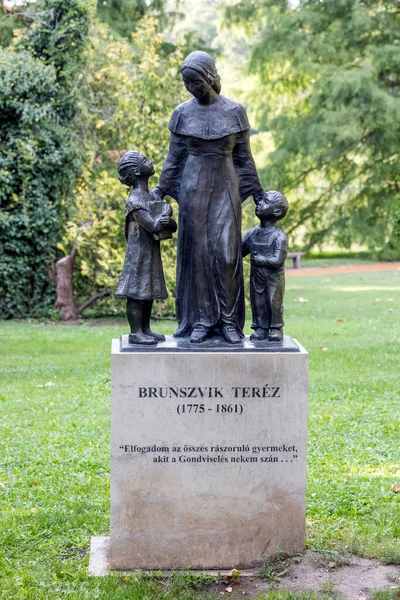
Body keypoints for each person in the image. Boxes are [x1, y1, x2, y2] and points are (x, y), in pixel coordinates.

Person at [153, 51, 264, 344]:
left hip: (225, 188)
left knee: (227, 255)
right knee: (200, 255)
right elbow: (173, 160)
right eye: (187, 83)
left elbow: (245, 159)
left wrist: (259, 194)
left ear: (210, 77)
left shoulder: (235, 111)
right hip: (193, 189)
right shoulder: (181, 113)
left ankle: (229, 322)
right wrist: (160, 190)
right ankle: (202, 320)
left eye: (196, 82)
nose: (192, 88)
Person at [115, 150, 177, 345]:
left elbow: (170, 227)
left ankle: (145, 328)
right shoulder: (135, 200)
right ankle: (135, 332)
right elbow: (154, 226)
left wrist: (168, 216)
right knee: (136, 292)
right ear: (137, 171)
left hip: (150, 252)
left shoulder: (150, 195)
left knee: (147, 291)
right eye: (144, 160)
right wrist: (165, 215)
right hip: (138, 254)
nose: (149, 161)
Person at [242, 191, 288, 342]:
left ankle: (275, 328)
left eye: (265, 201)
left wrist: (261, 260)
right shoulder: (252, 234)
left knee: (273, 302)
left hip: (273, 280)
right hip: (257, 278)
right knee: (258, 301)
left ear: (276, 211)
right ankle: (260, 327)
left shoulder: (279, 237)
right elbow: (239, 251)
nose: (259, 203)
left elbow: (278, 260)